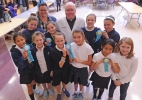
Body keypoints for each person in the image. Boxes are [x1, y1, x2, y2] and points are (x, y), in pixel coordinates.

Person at [10, 33, 36, 100]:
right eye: (18, 41)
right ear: (15, 42)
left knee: (34, 81)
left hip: (32, 68)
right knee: (29, 86)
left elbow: (35, 56)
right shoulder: (14, 52)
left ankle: (35, 90)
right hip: (25, 72)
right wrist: (24, 58)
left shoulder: (29, 46)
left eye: (22, 39)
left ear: (25, 39)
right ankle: (32, 98)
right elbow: (19, 65)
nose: (21, 42)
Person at [70, 29, 94, 100]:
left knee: (82, 82)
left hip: (83, 68)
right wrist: (69, 56)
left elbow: (89, 62)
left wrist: (80, 61)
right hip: (74, 67)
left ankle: (80, 92)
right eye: (74, 37)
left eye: (79, 37)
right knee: (75, 81)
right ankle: (75, 92)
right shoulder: (71, 45)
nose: (76, 39)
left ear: (83, 37)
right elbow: (70, 61)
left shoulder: (88, 47)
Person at [31, 31, 54, 99]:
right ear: (34, 41)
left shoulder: (48, 49)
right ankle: (45, 90)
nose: (39, 42)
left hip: (48, 70)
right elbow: (33, 62)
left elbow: (52, 61)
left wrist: (52, 70)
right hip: (39, 71)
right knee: (43, 81)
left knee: (49, 80)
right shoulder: (32, 51)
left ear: (43, 39)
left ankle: (49, 89)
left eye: (40, 40)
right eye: (37, 40)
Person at [51, 33, 70, 100]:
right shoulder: (53, 51)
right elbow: (60, 65)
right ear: (55, 41)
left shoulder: (68, 48)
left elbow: (71, 60)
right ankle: (59, 93)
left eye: (62, 40)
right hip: (57, 69)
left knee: (65, 81)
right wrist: (64, 55)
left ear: (64, 40)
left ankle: (64, 89)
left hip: (66, 69)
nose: (60, 43)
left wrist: (69, 54)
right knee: (57, 83)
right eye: (57, 41)